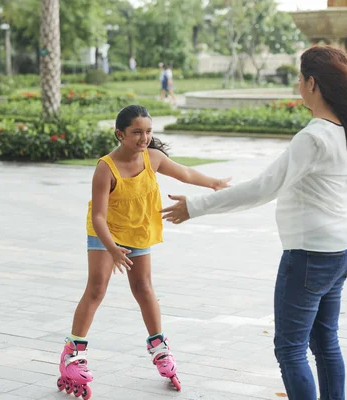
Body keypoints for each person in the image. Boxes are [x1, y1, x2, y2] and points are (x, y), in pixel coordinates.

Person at [160, 46, 347, 400]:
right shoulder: (343, 130)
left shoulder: (313, 137)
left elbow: (263, 188)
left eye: (299, 79)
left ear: (312, 83)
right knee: (326, 343)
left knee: (290, 350)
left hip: (311, 257)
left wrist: (197, 205)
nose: (297, 85)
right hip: (341, 252)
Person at [57, 105, 231, 399]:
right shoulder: (105, 168)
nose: (144, 138)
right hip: (106, 232)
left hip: (138, 229)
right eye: (137, 132)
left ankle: (159, 347)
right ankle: (73, 353)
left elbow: (185, 172)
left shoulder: (153, 158)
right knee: (97, 288)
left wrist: (213, 183)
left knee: (143, 287)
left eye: (148, 131)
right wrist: (112, 249)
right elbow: (98, 216)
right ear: (120, 134)